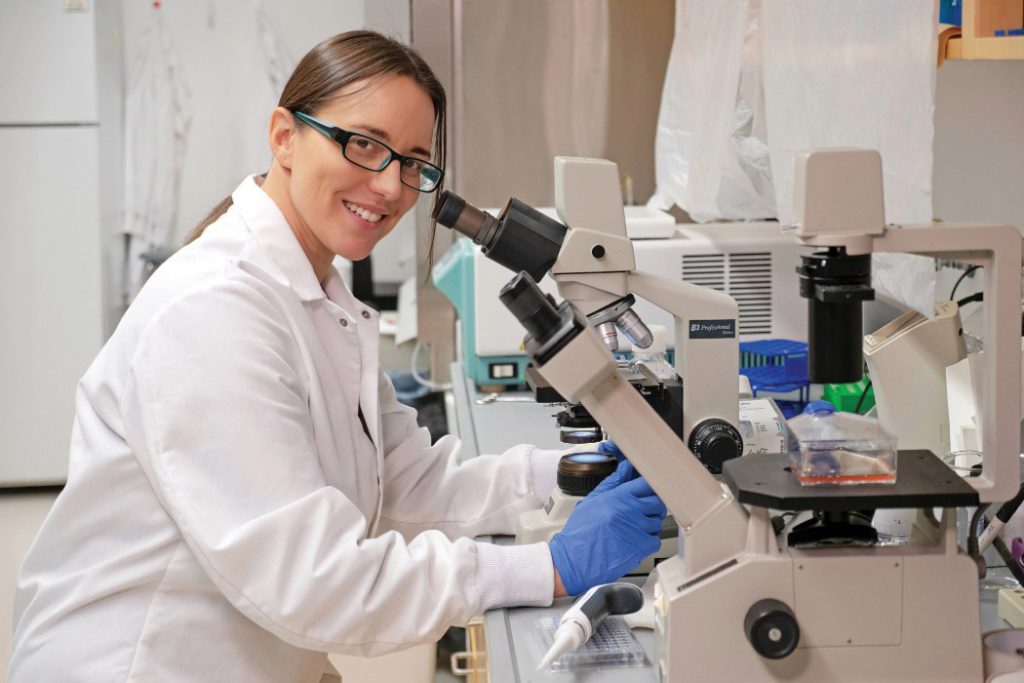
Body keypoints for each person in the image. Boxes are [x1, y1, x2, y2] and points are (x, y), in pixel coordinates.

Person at [8, 30, 666, 682]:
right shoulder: (213, 310)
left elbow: (406, 484)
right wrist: (549, 567)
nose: (390, 186)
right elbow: (312, 580)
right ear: (284, 136)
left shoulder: (319, 298)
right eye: (364, 144)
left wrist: (567, 472)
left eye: (412, 163)